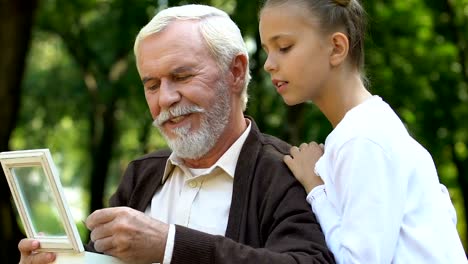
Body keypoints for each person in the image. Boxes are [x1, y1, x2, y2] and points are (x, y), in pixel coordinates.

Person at [18, 4, 336, 264]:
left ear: (236, 72)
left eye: (181, 76)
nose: (165, 99)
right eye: (152, 85)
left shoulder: (287, 171)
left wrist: (170, 245)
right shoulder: (140, 175)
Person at [259, 0, 467, 263]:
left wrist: (316, 190)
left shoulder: (362, 139)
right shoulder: (373, 128)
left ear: (336, 47)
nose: (268, 64)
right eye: (267, 50)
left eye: (284, 47)